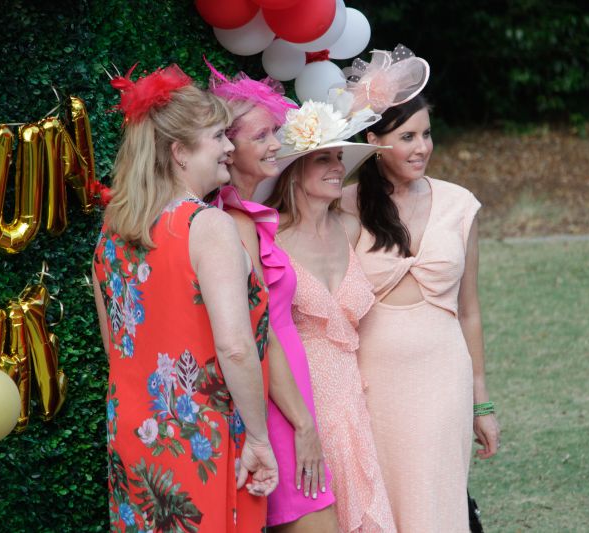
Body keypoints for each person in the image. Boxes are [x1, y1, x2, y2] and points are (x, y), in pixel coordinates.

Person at [91, 64, 278, 532]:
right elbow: (235, 347)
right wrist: (259, 438)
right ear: (179, 152)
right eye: (218, 137)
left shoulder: (113, 230)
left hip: (136, 432)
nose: (229, 147)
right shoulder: (207, 226)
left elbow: (116, 346)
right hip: (201, 436)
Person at [340, 48, 501, 532]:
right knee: (385, 503)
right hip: (374, 383)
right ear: (373, 141)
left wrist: (481, 403)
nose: (421, 148)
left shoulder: (459, 205)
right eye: (406, 137)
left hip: (443, 377)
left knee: (436, 502)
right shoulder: (344, 206)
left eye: (426, 134)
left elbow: (469, 311)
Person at [205, 60, 339, 531]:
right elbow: (259, 331)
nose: (275, 144)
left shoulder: (248, 211)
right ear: (229, 147)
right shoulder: (232, 224)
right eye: (261, 136)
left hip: (290, 394)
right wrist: (301, 424)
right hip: (277, 403)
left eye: (275, 133)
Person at [264, 98, 397, 533]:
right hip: (303, 398)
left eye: (339, 158)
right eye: (324, 158)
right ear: (294, 170)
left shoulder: (352, 229)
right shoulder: (270, 237)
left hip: (353, 397)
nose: (338, 167)